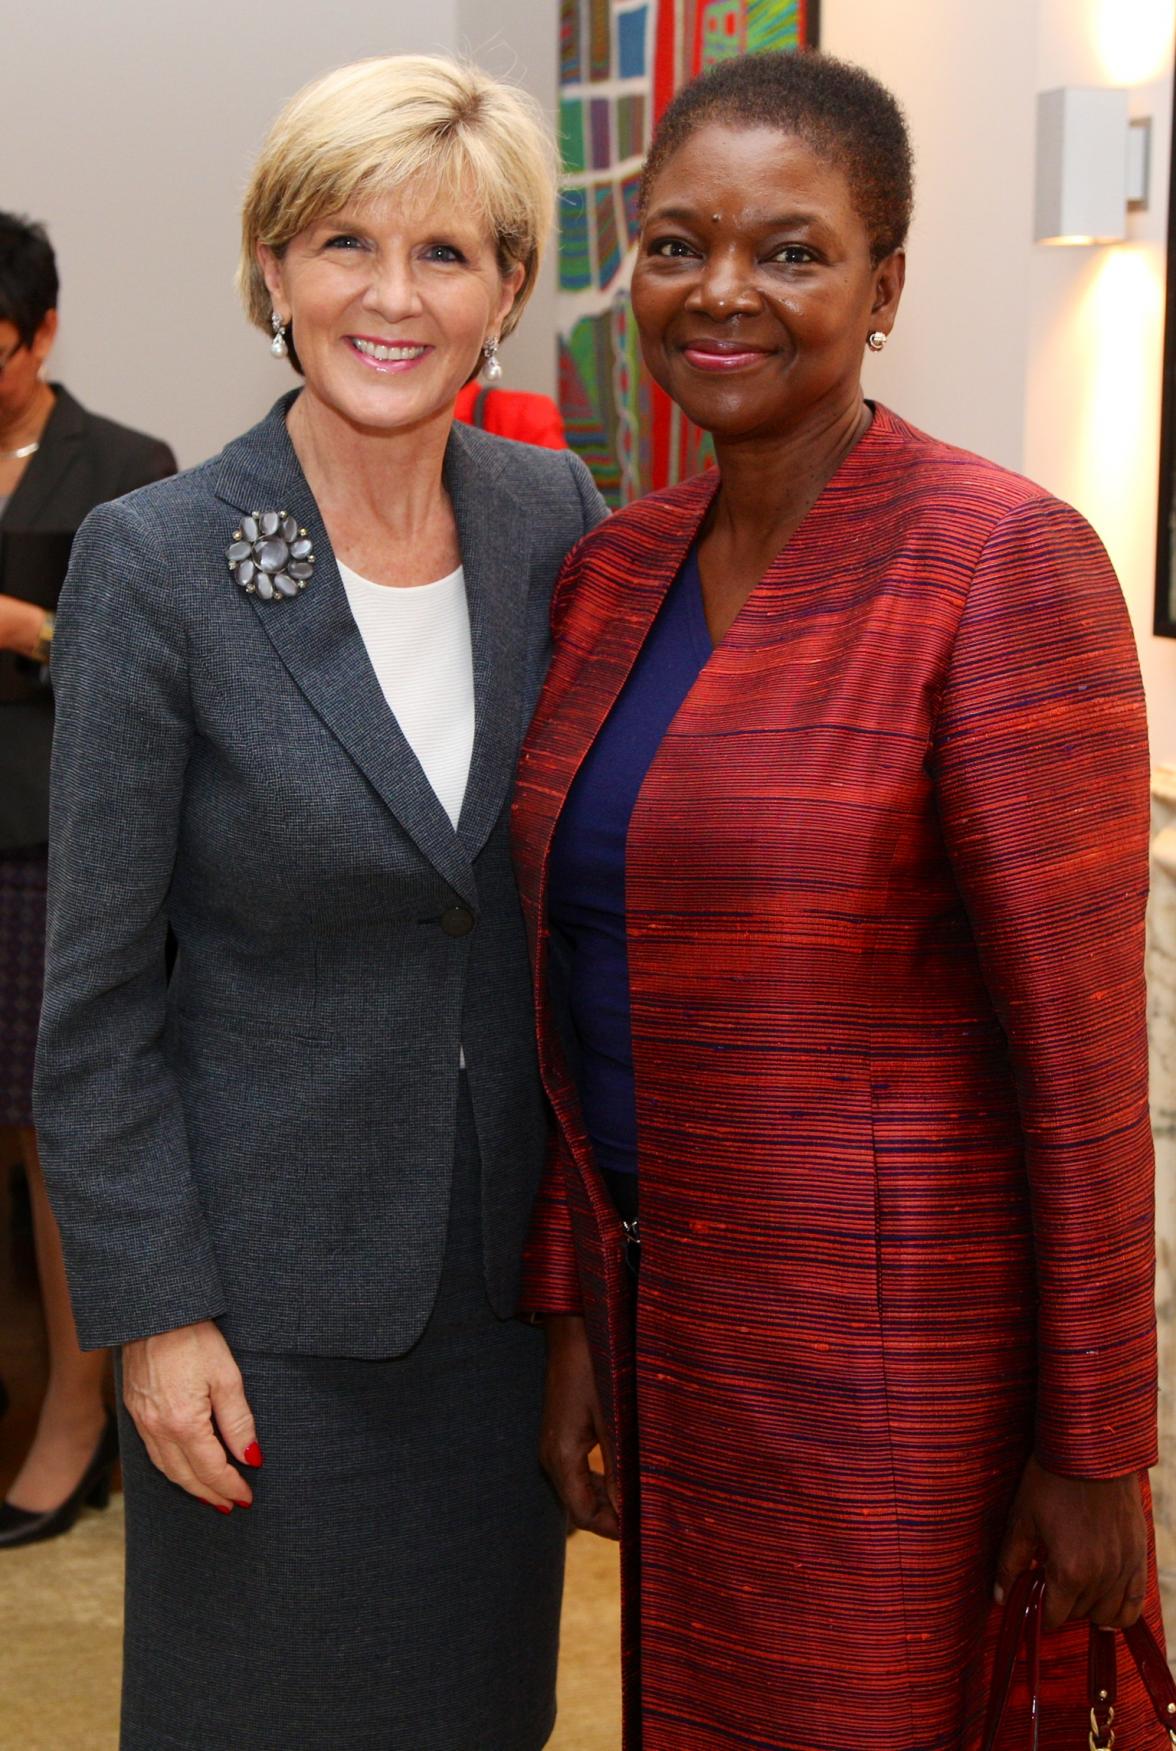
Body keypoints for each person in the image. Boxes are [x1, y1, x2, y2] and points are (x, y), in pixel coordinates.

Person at [512, 51, 1163, 1750]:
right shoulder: (612, 570)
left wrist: (1099, 1447)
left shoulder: (997, 562)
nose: (723, 291)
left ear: (884, 287)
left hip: (892, 1363)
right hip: (670, 1322)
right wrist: (579, 1309)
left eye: (791, 251)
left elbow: (1082, 1066)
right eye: (677, 242)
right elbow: (568, 982)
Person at [35, 54, 605, 1751]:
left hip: (502, 1305)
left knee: (478, 1716)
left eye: (446, 254)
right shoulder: (157, 557)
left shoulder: (552, 521)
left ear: (508, 288)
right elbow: (98, 1003)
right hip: (262, 1314)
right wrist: (153, 1315)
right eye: (344, 242)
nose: (391, 295)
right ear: (272, 268)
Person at [0, 211, 175, 1549]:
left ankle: (80, 1421)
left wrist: (24, 626)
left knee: (57, 1151)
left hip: (47, 851)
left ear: (43, 332)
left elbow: (141, 678)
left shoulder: (121, 468)